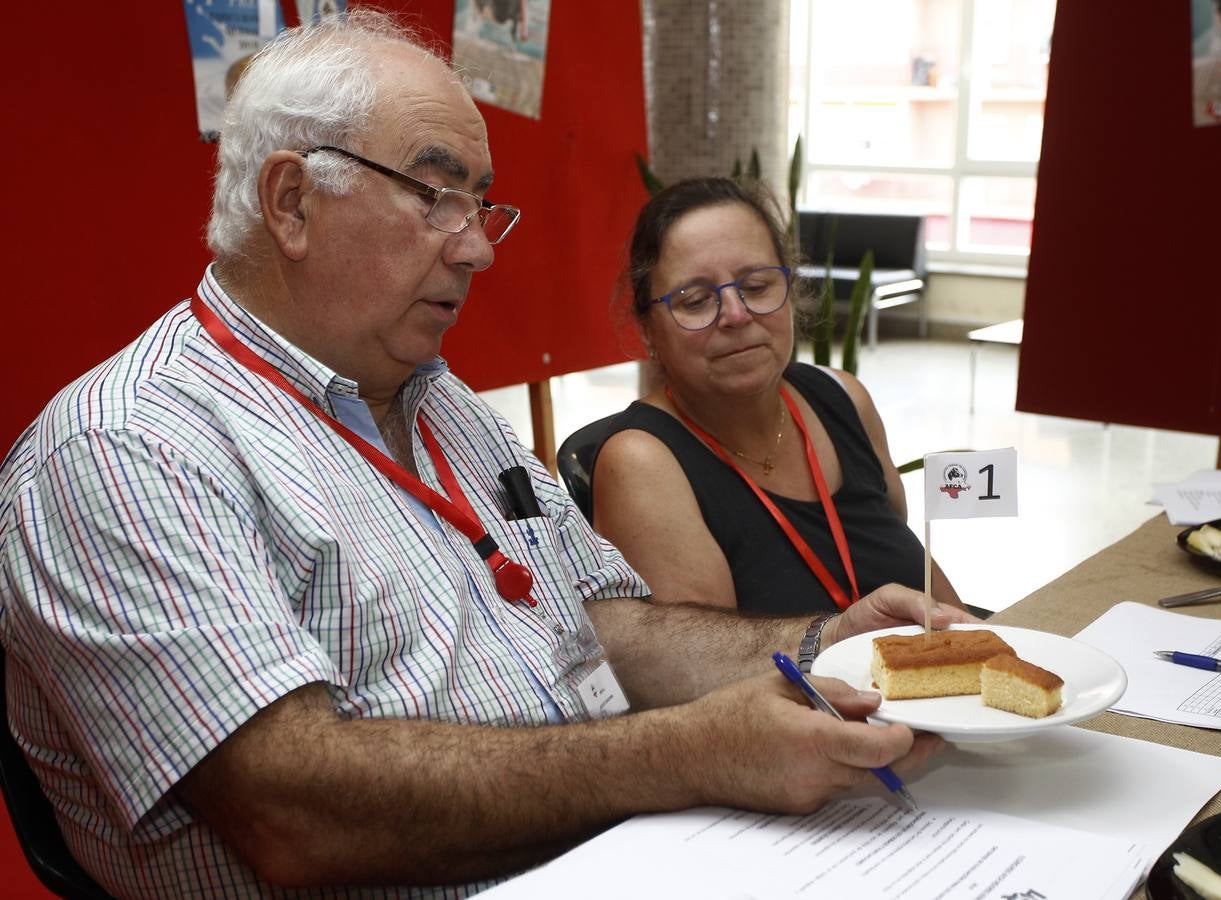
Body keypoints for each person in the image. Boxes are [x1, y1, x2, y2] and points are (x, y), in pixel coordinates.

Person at [0, 11, 967, 898]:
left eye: (482, 205)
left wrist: (816, 645)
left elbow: (601, 627)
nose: (478, 250)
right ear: (291, 201)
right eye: (436, 196)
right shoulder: (128, 449)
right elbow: (292, 814)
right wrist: (685, 755)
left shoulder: (442, 400)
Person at [591, 177, 968, 617]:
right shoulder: (642, 463)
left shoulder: (845, 399)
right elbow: (707, 669)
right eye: (695, 300)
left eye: (756, 286)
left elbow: (929, 589)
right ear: (647, 330)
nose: (736, 314)